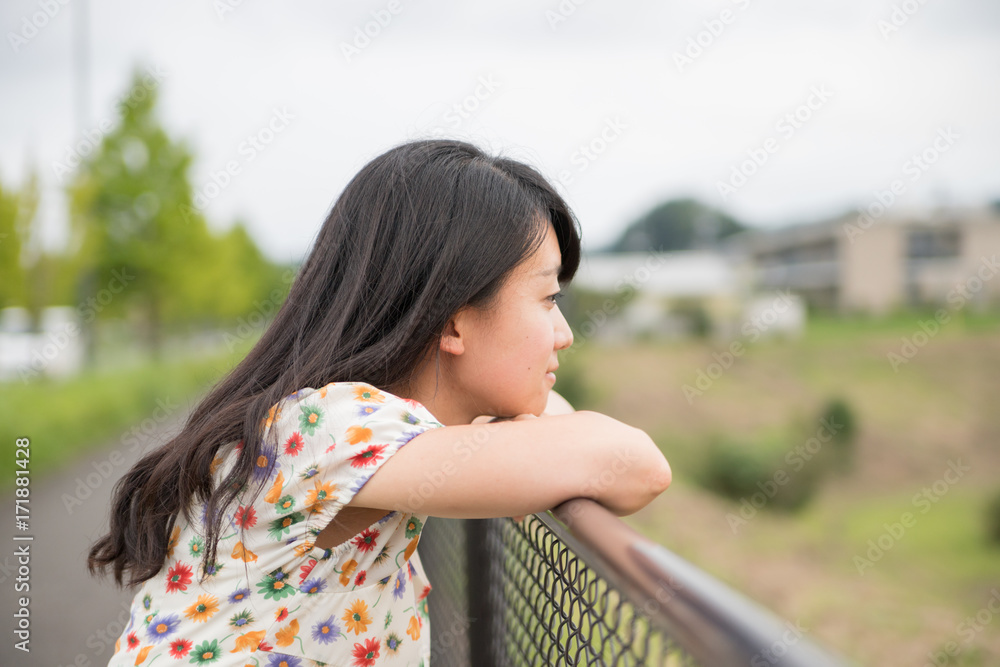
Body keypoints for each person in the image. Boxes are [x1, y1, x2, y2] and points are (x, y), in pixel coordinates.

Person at [88, 139, 672, 666]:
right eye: (547, 299)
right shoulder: (329, 427)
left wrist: (528, 433)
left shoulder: (373, 434)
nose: (564, 334)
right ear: (455, 320)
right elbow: (636, 466)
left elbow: (574, 438)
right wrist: (534, 440)